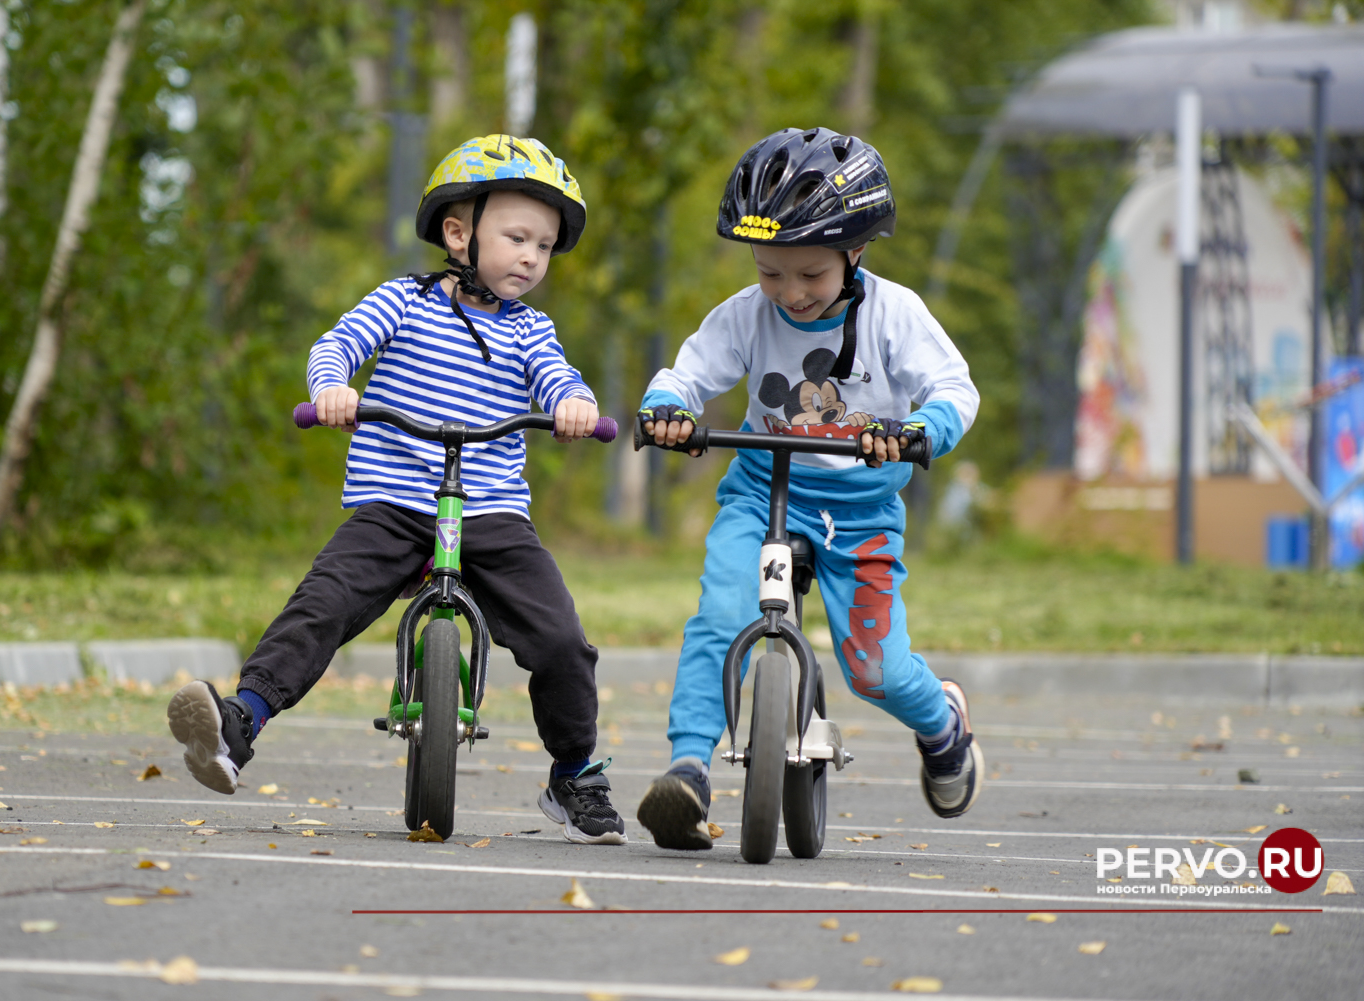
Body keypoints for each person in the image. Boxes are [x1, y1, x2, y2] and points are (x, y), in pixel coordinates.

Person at [166, 135, 626, 844]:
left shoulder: (533, 330)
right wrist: (331, 388)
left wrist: (575, 406)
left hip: (492, 512)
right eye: (517, 237)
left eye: (545, 244)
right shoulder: (403, 303)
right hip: (396, 503)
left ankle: (575, 771)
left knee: (562, 638)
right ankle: (238, 722)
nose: (533, 257)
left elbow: (560, 379)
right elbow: (338, 344)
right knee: (322, 602)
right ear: (458, 232)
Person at [633, 128, 983, 850]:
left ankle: (944, 725)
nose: (789, 293)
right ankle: (689, 768)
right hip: (764, 492)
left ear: (856, 254)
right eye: (771, 273)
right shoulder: (746, 314)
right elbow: (687, 371)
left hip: (862, 512)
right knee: (721, 615)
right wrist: (669, 408)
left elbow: (953, 387)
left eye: (810, 275)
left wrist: (923, 428)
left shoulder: (893, 315)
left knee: (874, 669)